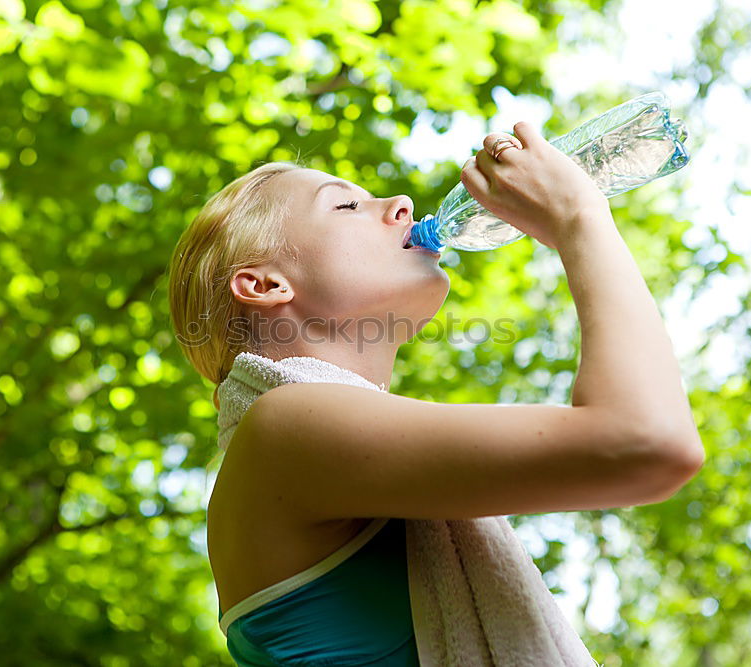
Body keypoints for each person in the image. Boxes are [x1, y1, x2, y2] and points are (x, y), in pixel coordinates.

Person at [167, 121, 705, 665]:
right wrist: (580, 218)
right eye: (346, 207)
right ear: (266, 285)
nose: (402, 203)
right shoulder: (282, 428)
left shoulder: (300, 438)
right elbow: (648, 441)